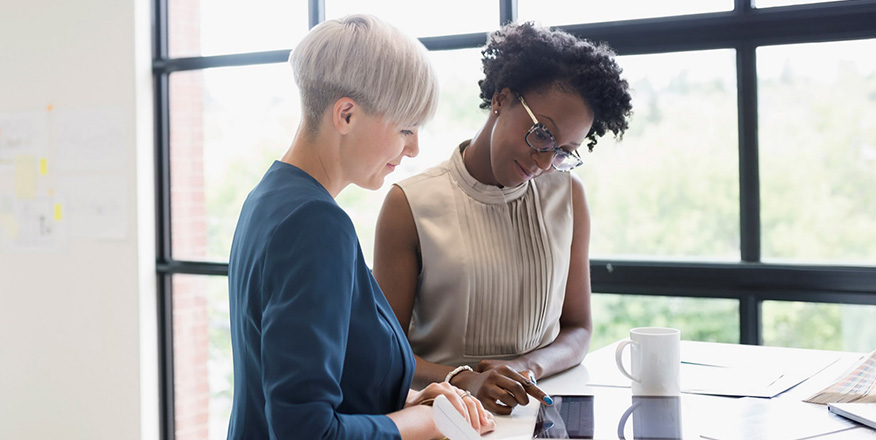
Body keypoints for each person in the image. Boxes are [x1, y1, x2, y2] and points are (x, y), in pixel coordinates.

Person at [227, 14, 496, 440]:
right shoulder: (315, 224)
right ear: (347, 115)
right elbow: (306, 431)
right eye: (406, 127)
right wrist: (422, 423)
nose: (414, 148)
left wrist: (412, 402)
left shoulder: (269, 197)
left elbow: (302, 385)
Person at [373, 21, 633, 415]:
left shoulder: (568, 195)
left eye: (563, 151)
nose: (546, 162)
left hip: (542, 412)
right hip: (446, 417)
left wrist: (525, 368)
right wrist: (465, 379)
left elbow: (578, 329)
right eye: (543, 133)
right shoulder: (409, 204)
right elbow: (383, 356)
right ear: (502, 99)